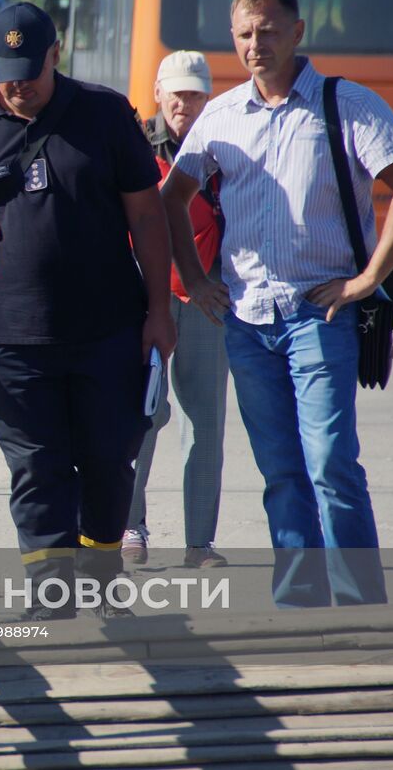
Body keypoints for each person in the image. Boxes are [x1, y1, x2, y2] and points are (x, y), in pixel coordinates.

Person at [163, 0, 393, 608]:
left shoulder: (347, 105)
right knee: (281, 471)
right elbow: (171, 198)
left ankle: (360, 599)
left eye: (268, 30)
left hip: (322, 314)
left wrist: (369, 281)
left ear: (298, 31)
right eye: (245, 34)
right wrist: (195, 280)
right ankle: (300, 600)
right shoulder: (221, 117)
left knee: (331, 462)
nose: (256, 44)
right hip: (248, 323)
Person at [0, 2, 176, 619]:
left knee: (109, 460)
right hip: (11, 336)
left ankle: (103, 583)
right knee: (37, 469)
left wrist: (159, 311)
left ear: (57, 54)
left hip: (109, 329)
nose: (18, 83)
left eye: (31, 68)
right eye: (6, 71)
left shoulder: (106, 113)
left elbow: (147, 215)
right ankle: (51, 597)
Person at [122, 50, 230, 570]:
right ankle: (129, 525)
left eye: (195, 94)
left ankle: (198, 544)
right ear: (159, 94)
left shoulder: (225, 148)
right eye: (177, 94)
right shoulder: (134, 145)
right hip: (146, 299)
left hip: (209, 298)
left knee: (205, 423)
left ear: (207, 97)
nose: (185, 103)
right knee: (143, 415)